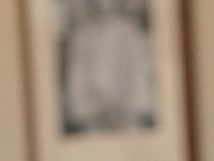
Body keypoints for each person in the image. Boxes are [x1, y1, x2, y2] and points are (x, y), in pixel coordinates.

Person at [58, 0, 155, 134]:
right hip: (91, 122)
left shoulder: (131, 33)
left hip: (129, 119)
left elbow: (140, 79)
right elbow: (76, 85)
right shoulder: (81, 36)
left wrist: (123, 110)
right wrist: (95, 111)